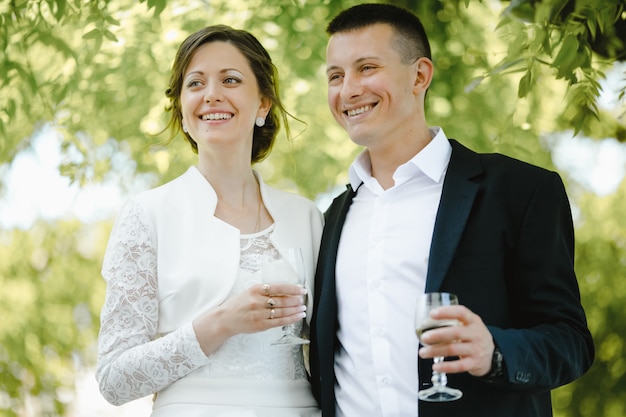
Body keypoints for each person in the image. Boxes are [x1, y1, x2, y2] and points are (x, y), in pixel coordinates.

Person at [309, 4, 594, 417]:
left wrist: (493, 350)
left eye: (367, 68)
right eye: (335, 76)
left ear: (420, 76)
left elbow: (570, 342)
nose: (347, 89)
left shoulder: (521, 190)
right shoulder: (329, 219)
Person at [96, 25, 323, 417]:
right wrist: (222, 322)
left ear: (263, 104)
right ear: (183, 109)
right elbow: (114, 379)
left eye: (231, 80)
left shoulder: (307, 216)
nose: (211, 94)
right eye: (195, 83)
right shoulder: (147, 214)